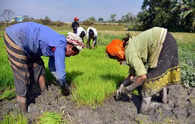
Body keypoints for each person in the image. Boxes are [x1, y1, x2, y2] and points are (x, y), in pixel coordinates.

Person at [3, 22, 85, 113]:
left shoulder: (57, 43)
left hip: (30, 44)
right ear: (70, 47)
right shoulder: (60, 45)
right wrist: (64, 86)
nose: (70, 56)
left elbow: (53, 68)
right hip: (15, 37)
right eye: (73, 54)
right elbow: (61, 72)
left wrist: (58, 79)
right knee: (22, 74)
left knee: (38, 65)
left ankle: (44, 93)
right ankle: (23, 111)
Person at [106, 27, 181, 113]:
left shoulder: (130, 53)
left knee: (150, 79)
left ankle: (146, 109)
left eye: (116, 58)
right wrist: (122, 86)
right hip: (167, 40)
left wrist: (128, 89)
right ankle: (163, 99)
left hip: (163, 43)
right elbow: (132, 74)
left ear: (118, 54)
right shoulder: (129, 45)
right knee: (158, 73)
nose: (118, 61)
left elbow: (142, 77)